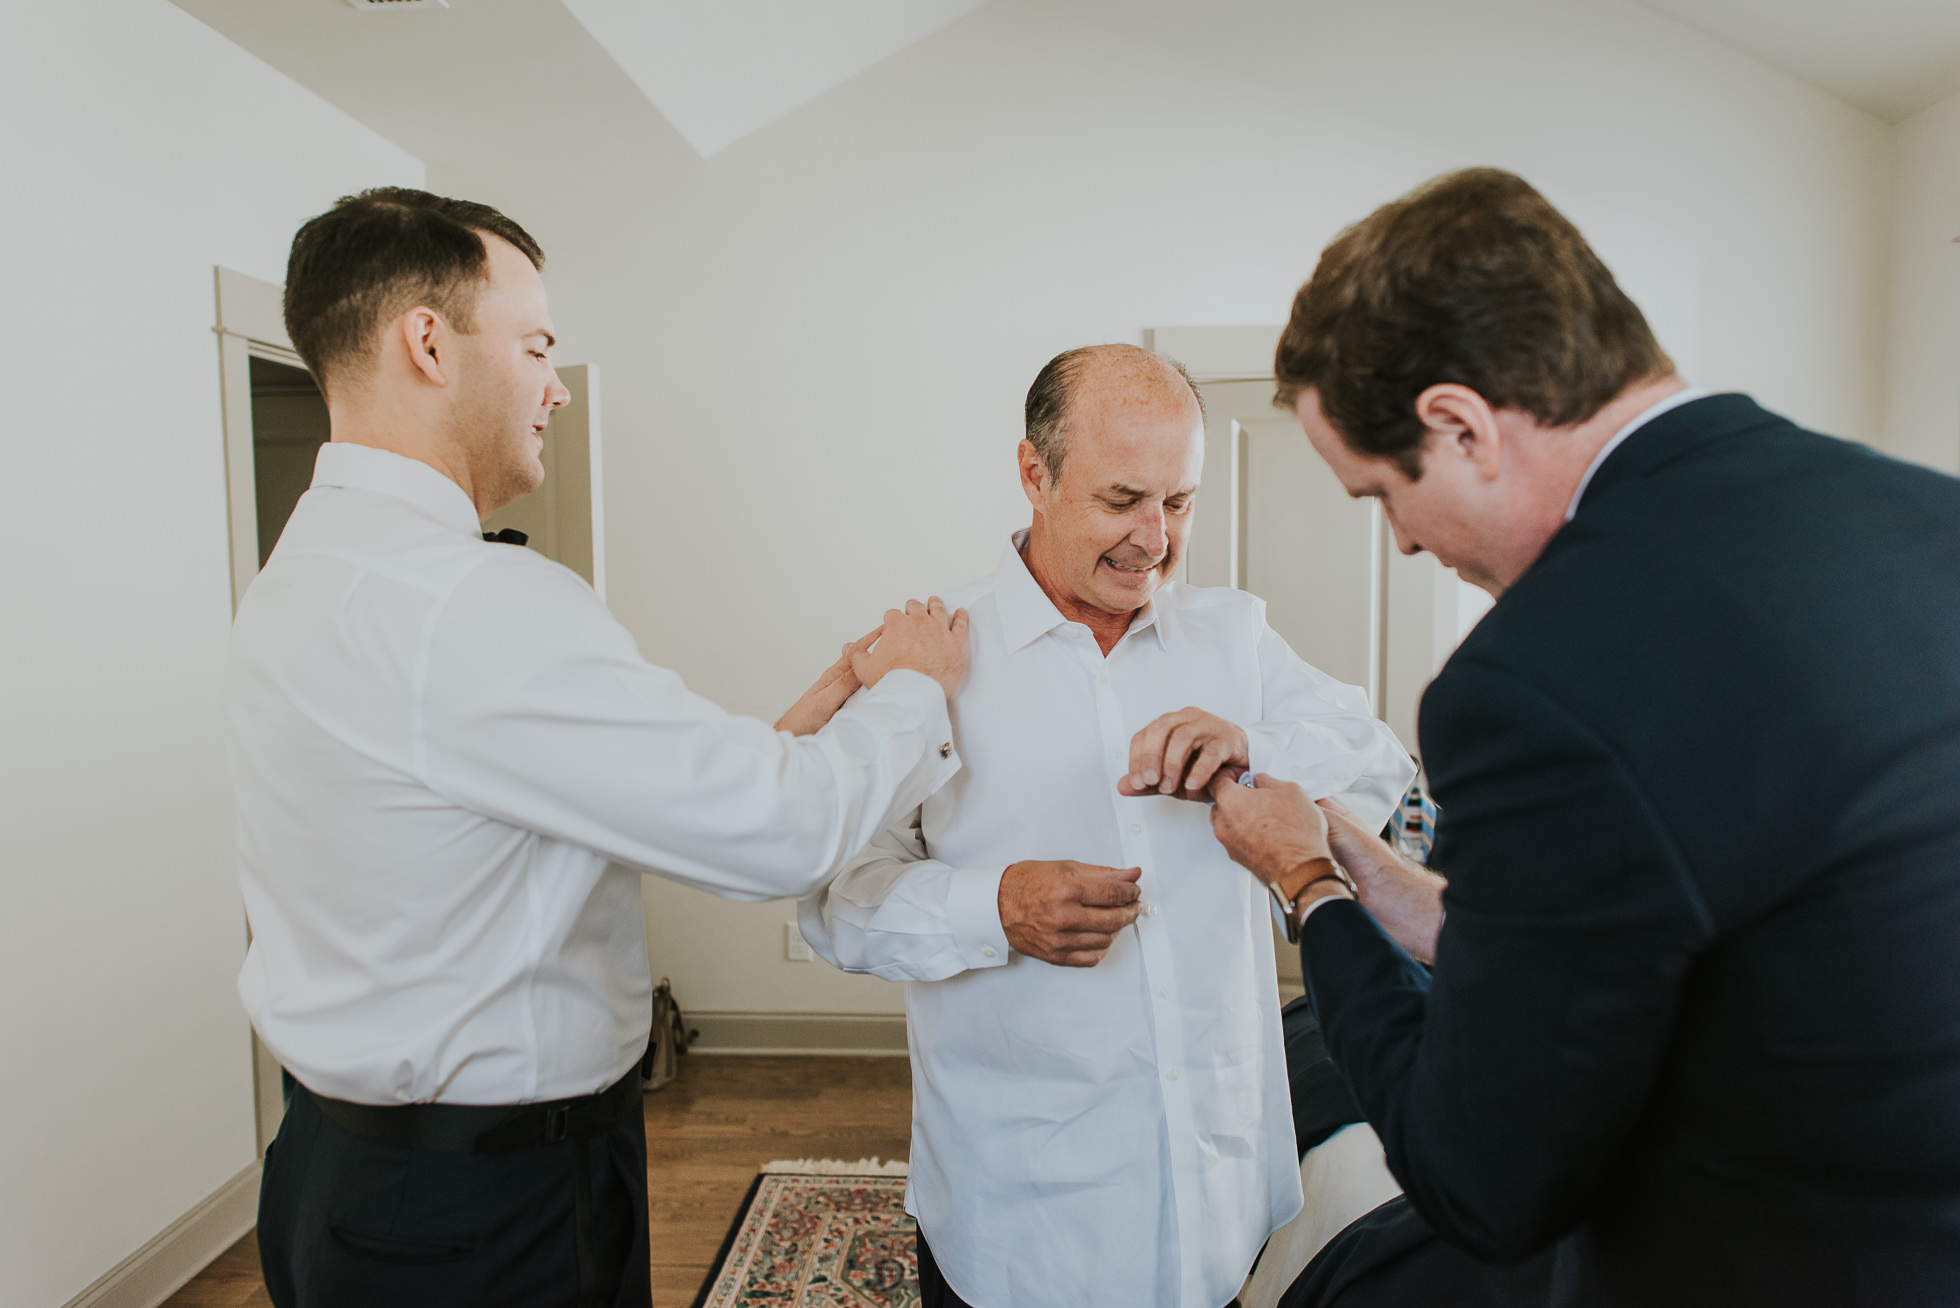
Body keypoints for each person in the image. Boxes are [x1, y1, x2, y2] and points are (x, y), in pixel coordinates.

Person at [1206, 168, 1960, 1306]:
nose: (1402, 545)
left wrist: (1307, 887)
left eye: (1376, 495)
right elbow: (1679, 923)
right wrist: (1371, 873)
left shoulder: (1537, 681)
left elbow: (1481, 1183)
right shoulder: (1922, 516)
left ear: (1459, 425)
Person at [229, 187, 970, 1308]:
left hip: (335, 1179)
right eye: (534, 346)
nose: (556, 388)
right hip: (482, 1217)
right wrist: (915, 686)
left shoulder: (304, 575)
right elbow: (780, 836)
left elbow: (505, 818)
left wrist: (794, 732)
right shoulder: (471, 602)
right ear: (427, 343)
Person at [799, 344, 1415, 1308]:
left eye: (1179, 503)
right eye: (1123, 499)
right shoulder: (931, 654)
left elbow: (1378, 762)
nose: (1155, 540)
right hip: (1019, 1209)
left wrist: (1251, 745)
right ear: (1033, 476)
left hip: (1213, 1193)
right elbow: (835, 899)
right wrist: (991, 907)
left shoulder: (1235, 637)